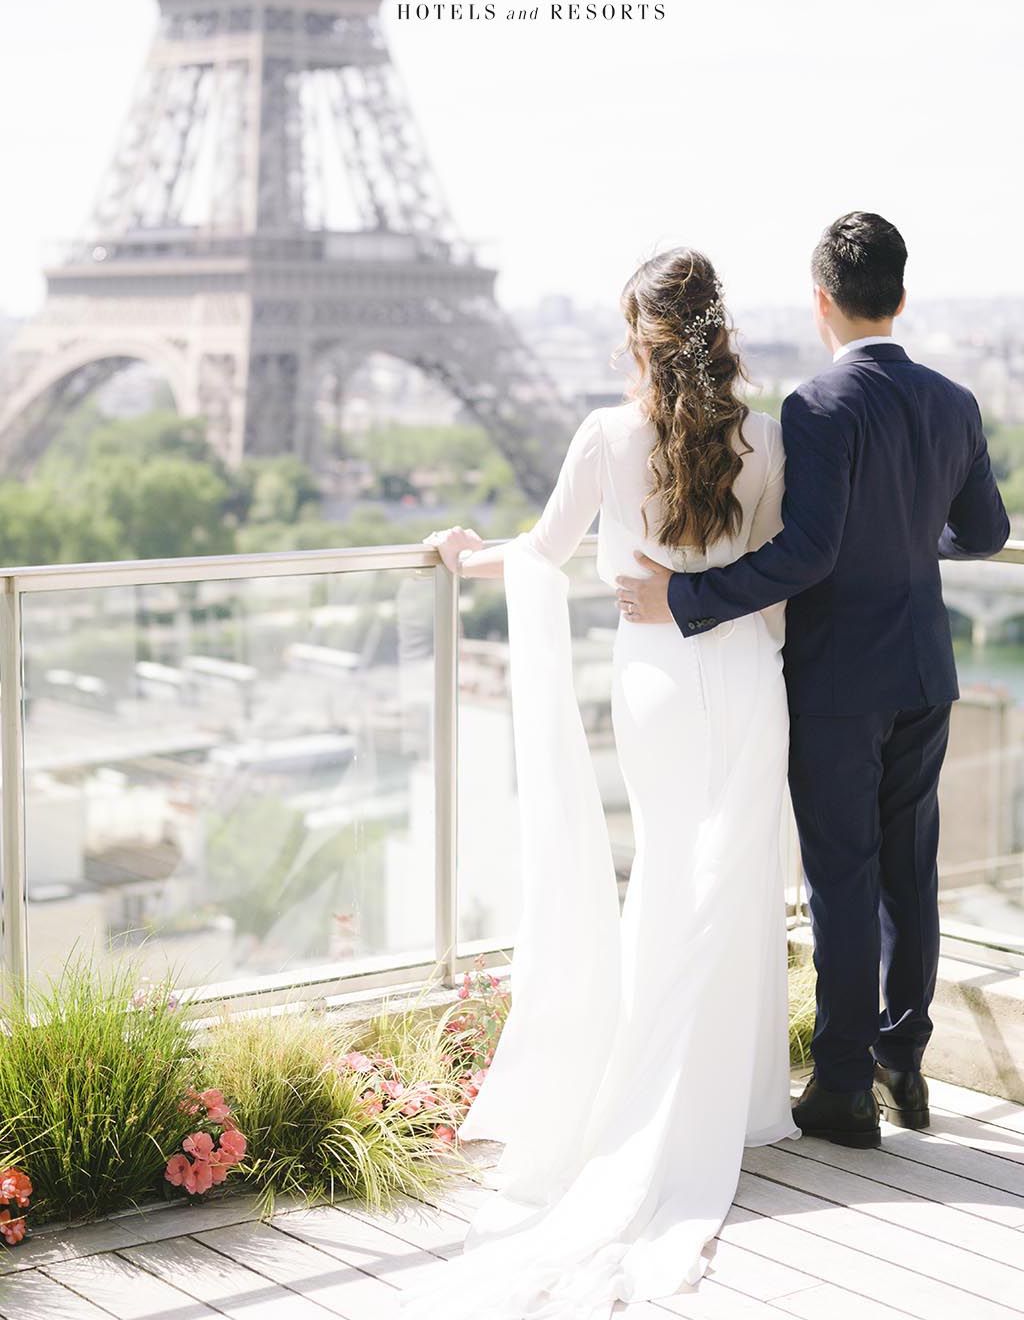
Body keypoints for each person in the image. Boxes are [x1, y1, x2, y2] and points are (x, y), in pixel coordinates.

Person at [401, 248, 798, 1319]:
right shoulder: (766, 438)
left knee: (668, 880)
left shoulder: (604, 436)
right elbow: (774, 588)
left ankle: (652, 1099)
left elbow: (543, 552)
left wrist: (461, 554)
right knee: (737, 882)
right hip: (747, 680)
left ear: (640, 336)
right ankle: (744, 1102)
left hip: (657, 684)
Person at [620, 212, 1010, 1148]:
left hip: (839, 678)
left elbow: (808, 553)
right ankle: (902, 1064)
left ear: (822, 301)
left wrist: (688, 597)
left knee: (842, 877)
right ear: (903, 297)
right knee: (909, 877)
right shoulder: (956, 400)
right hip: (925, 666)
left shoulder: (817, 406)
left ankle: (841, 1089)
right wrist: (920, 543)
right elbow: (988, 534)